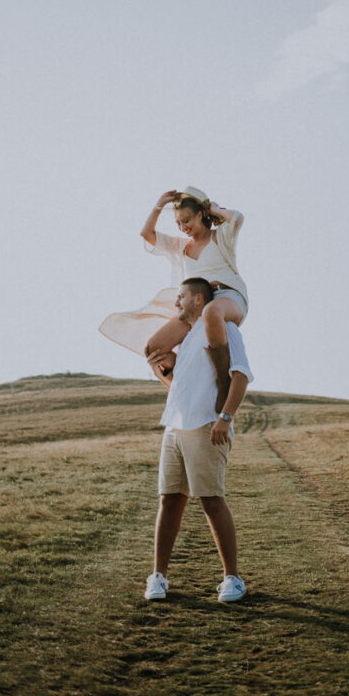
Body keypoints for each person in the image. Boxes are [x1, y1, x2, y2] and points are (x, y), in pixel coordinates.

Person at [144, 277, 253, 603]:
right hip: (174, 428)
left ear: (198, 300)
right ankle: (158, 577)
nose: (176, 302)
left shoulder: (224, 328)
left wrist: (225, 418)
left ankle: (232, 579)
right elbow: (183, 387)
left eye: (181, 296)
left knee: (211, 501)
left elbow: (241, 375)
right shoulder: (188, 338)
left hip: (206, 426)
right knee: (169, 500)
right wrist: (165, 372)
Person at [99, 186, 248, 412]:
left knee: (211, 312)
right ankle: (187, 390)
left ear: (201, 214)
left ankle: (223, 381)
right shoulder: (181, 247)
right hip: (194, 306)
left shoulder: (220, 238)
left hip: (227, 297)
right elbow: (147, 234)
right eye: (178, 223)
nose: (183, 227)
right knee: (154, 348)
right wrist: (159, 205)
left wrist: (214, 209)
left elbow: (237, 218)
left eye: (187, 220)